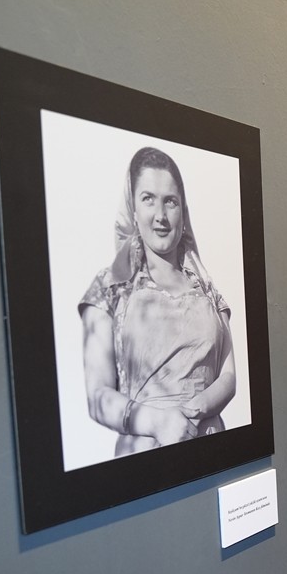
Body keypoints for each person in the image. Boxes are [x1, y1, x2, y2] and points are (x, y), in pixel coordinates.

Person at [79, 146, 236, 456]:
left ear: (183, 211)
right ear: (133, 209)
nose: (161, 216)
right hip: (147, 456)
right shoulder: (110, 287)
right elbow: (97, 397)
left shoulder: (205, 287)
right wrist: (160, 422)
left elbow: (228, 375)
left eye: (170, 202)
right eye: (148, 198)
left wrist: (197, 407)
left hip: (212, 447)